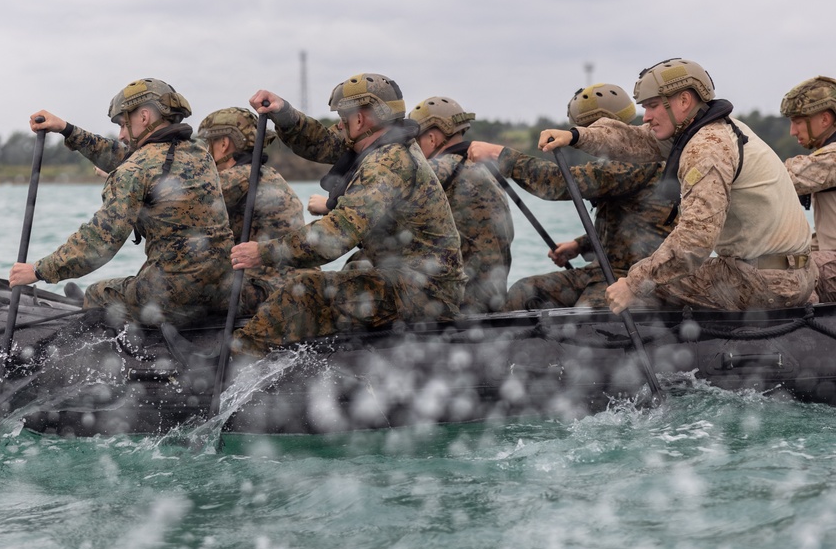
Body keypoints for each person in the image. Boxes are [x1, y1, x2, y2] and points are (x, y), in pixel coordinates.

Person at [539, 58, 815, 313]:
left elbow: (694, 241)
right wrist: (575, 136)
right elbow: (636, 141)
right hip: (778, 273)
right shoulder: (713, 129)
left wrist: (633, 284)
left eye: (652, 106)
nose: (645, 116)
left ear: (683, 100)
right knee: (652, 277)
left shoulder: (707, 149)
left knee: (639, 290)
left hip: (764, 282)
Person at [229, 73, 465, 356]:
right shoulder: (382, 143)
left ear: (361, 119)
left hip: (426, 292)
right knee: (353, 269)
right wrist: (284, 113)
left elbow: (336, 235)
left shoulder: (388, 163)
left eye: (343, 116)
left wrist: (264, 252)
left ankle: (235, 362)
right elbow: (322, 142)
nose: (339, 124)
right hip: (409, 279)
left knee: (306, 289)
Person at [9, 78, 233, 326]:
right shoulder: (200, 153)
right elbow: (125, 156)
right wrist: (66, 129)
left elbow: (98, 244)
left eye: (124, 124)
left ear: (144, 117)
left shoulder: (136, 169)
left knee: (97, 293)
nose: (121, 134)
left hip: (174, 298)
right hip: (225, 289)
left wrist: (38, 271)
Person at [469, 83, 675, 309]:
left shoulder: (636, 161)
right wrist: (580, 245)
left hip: (635, 278)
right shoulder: (619, 163)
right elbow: (630, 224)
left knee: (585, 318)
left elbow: (564, 183)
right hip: (602, 270)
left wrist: (500, 155)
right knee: (524, 292)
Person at [196, 106, 307, 310]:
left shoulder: (237, 178)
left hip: (269, 289)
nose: (204, 152)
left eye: (206, 144)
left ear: (223, 144)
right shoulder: (263, 173)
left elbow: (181, 205)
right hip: (293, 285)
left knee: (180, 292)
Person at [410, 96, 513, 313]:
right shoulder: (483, 169)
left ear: (430, 138)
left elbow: (386, 201)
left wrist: (331, 204)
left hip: (464, 299)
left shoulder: (438, 168)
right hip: (493, 293)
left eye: (415, 142)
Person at [781, 76, 836, 302]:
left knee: (774, 278)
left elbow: (781, 178)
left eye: (798, 121)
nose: (793, 131)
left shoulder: (831, 158)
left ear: (824, 119)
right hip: (829, 261)